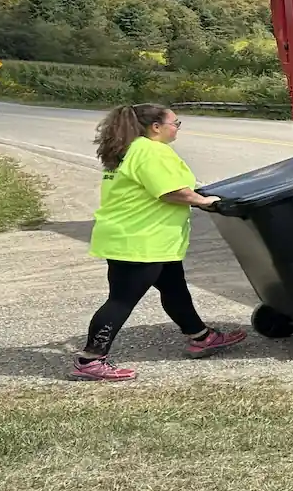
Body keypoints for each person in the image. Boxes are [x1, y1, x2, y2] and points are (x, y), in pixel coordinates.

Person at [73, 103, 246, 381]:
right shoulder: (151, 152)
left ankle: (200, 336)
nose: (177, 128)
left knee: (174, 289)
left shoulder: (132, 149)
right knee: (121, 300)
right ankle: (90, 359)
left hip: (140, 236)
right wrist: (205, 202)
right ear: (156, 127)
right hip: (141, 240)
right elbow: (170, 192)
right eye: (175, 123)